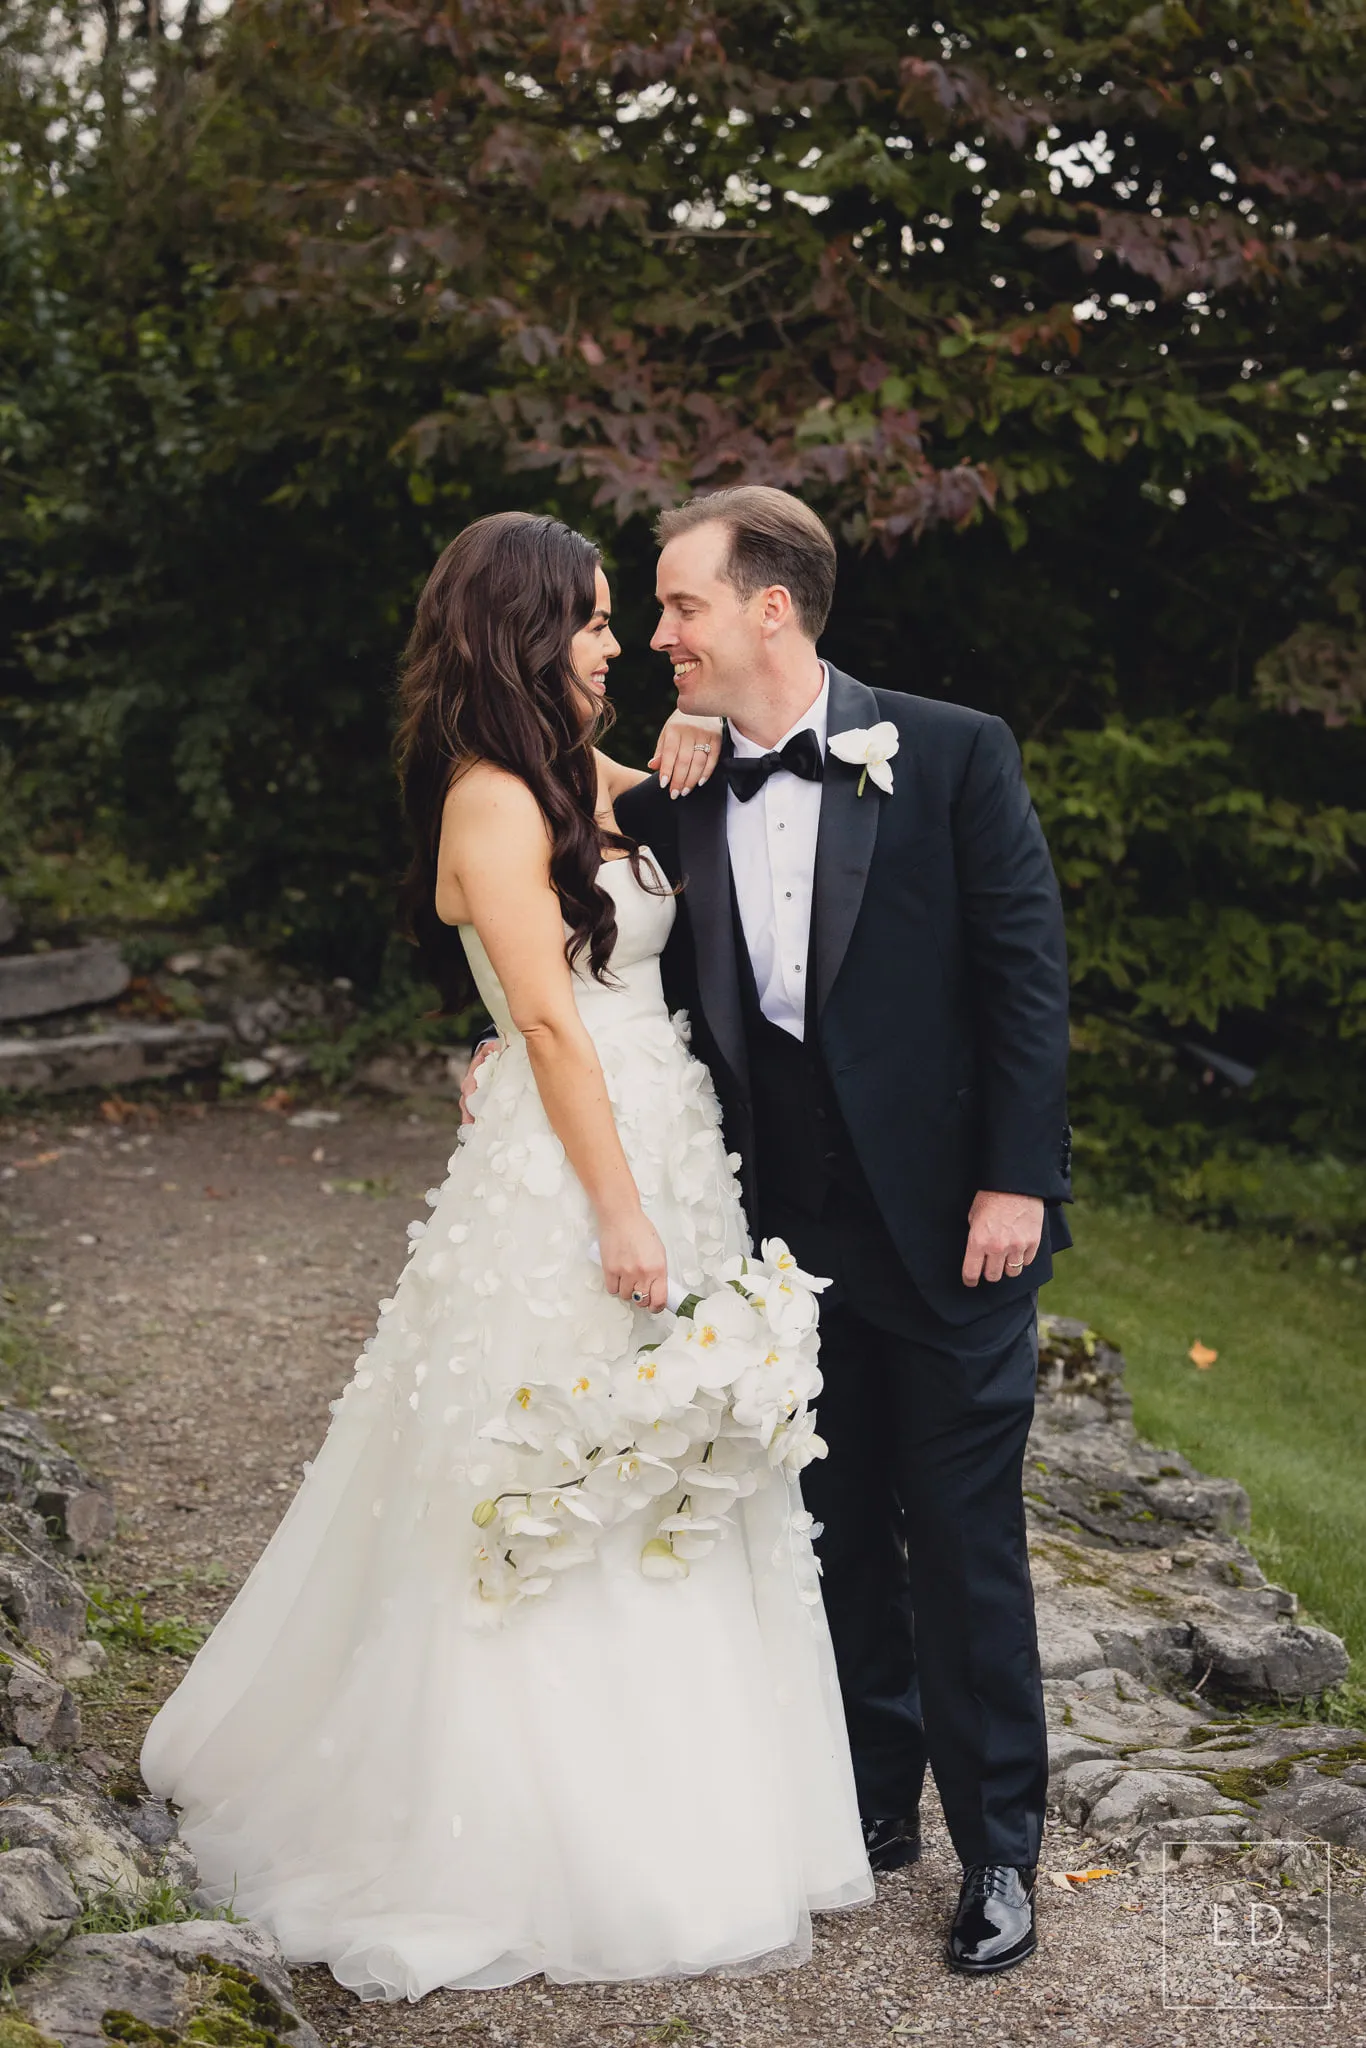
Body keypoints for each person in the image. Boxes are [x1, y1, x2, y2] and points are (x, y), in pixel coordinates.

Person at [139, 511, 873, 2001]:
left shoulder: (570, 777)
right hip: (570, 1167)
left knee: (673, 1465)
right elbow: (544, 1018)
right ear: (529, 629)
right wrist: (614, 1208)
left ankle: (702, 1804)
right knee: (548, 1468)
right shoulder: (484, 796)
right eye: (598, 618)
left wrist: (684, 739)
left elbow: (687, 802)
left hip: (667, 1138)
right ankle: (530, 1834)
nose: (619, 639)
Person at [593, 486, 1072, 1976]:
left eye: (677, 606)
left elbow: (1024, 978)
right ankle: (869, 1810)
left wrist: (1016, 1178)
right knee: (829, 1535)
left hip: (947, 1235)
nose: (656, 634)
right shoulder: (669, 791)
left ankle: (998, 1854)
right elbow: (578, 930)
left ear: (768, 609)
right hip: (776, 1247)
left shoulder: (946, 751)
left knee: (963, 1548)